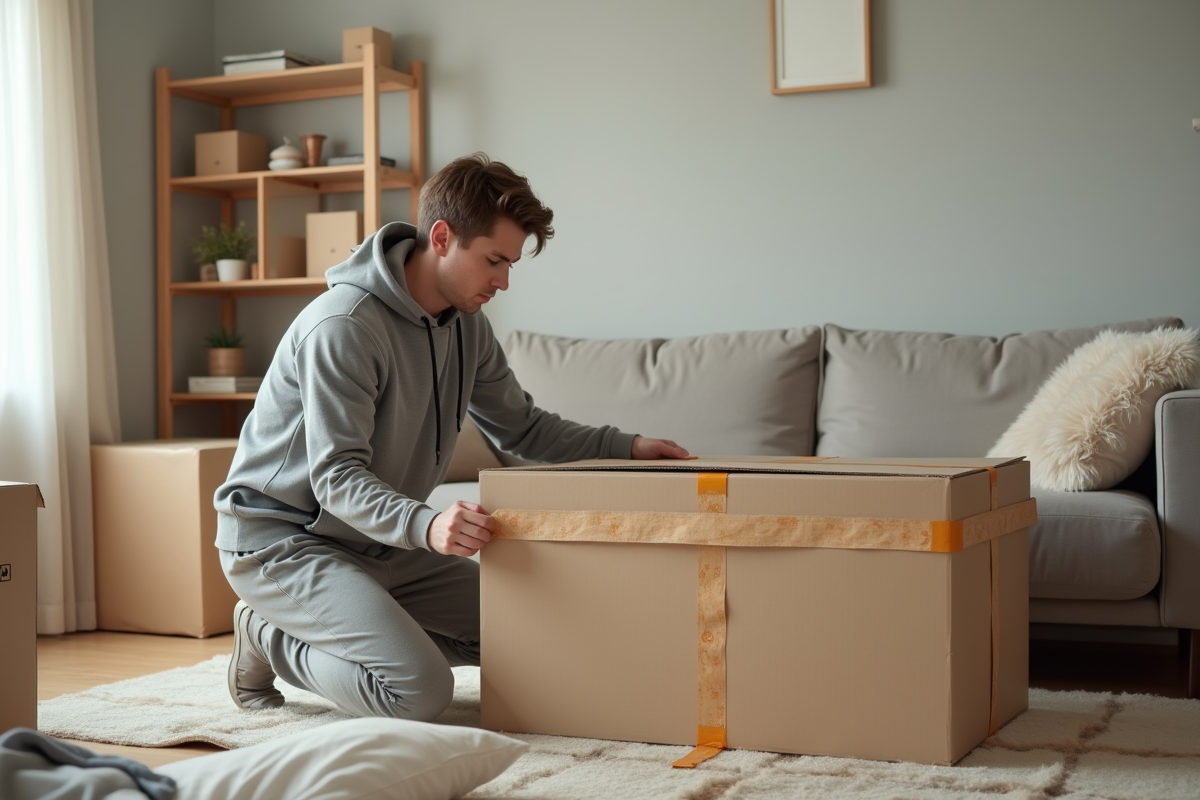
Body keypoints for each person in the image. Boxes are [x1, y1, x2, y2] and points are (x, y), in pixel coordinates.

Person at [214, 153, 688, 721]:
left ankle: (367, 632)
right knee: (418, 692)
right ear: (442, 237)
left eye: (510, 265)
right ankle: (269, 633)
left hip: (382, 542)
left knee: (535, 643)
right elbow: (337, 478)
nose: (503, 281)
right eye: (494, 260)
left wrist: (627, 446)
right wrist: (427, 523)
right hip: (287, 543)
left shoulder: (468, 326)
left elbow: (522, 429)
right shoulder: (343, 327)